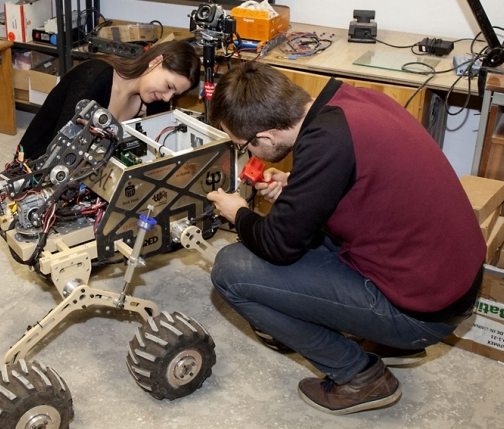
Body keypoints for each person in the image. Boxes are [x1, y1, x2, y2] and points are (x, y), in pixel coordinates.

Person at [206, 61, 485, 415]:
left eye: (244, 145)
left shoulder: (325, 145)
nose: (249, 154)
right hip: (450, 280)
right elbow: (364, 185)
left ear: (266, 137)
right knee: (298, 234)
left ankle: (360, 376)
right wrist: (297, 185)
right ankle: (366, 332)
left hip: (424, 315)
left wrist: (238, 212)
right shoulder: (351, 103)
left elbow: (278, 246)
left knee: (232, 270)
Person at [19, 40, 201, 160]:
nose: (168, 97)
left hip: (94, 171)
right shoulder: (96, 77)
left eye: (175, 94)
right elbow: (61, 148)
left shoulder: (156, 99)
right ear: (155, 61)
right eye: (169, 86)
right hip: (39, 164)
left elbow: (153, 153)